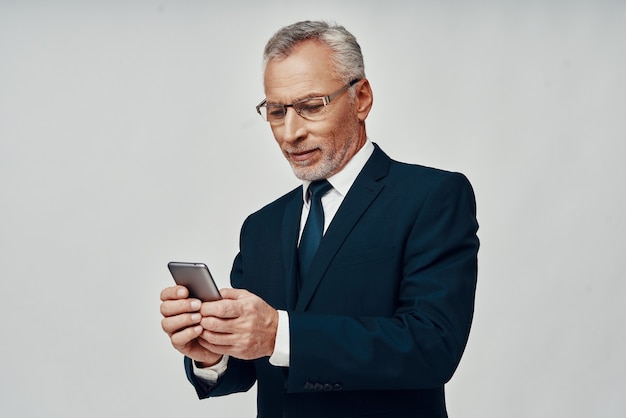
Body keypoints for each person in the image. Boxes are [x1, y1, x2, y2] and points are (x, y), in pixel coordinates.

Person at [160, 20, 479, 418]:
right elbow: (250, 365)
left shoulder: (431, 196)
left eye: (311, 106)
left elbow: (432, 347)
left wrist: (280, 332)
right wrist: (212, 354)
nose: (290, 132)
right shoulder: (260, 227)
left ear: (361, 98)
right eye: (277, 111)